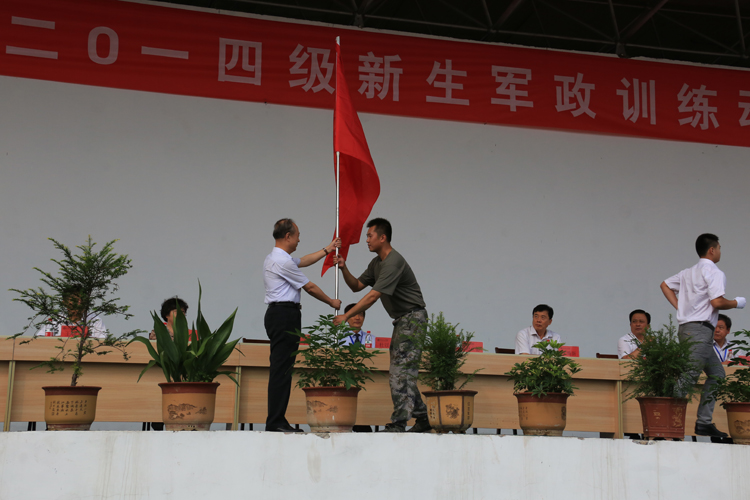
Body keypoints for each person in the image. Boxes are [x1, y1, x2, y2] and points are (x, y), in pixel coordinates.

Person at [332, 218, 431, 433]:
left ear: (383, 237)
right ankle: (423, 418)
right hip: (402, 320)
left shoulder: (393, 262)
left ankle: (399, 423)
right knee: (401, 372)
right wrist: (343, 268)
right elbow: (357, 286)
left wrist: (346, 316)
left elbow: (373, 296)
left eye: (370, 236)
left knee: (400, 372)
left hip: (412, 318)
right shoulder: (376, 263)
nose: (367, 240)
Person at [660, 233, 746, 438]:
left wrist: (681, 308)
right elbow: (717, 302)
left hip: (692, 329)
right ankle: (667, 423)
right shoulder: (714, 271)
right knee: (689, 376)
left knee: (717, 375)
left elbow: (665, 285)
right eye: (719, 248)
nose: (720, 251)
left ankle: (703, 423)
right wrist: (737, 303)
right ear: (712, 250)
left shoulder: (688, 272)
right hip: (699, 330)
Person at [263, 218, 341, 433]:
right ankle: (275, 422)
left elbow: (304, 260)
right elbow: (310, 287)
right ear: (288, 236)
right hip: (284, 315)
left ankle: (276, 419)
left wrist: (327, 249)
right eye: (297, 235)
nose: (299, 240)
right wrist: (331, 302)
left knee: (281, 369)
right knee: (282, 371)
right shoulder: (282, 261)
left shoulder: (276, 258)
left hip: (280, 314)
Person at [35, 286, 107, 338]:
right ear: (65, 303)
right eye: (75, 300)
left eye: (82, 300)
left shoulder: (95, 320)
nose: (79, 303)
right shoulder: (54, 320)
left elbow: (102, 344)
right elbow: (40, 339)